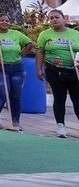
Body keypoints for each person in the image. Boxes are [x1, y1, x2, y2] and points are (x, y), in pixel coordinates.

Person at [0, 13, 33, 130]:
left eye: (7, 20)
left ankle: (15, 122)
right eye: (1, 20)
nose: (5, 22)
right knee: (2, 94)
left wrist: (23, 53)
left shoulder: (16, 34)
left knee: (15, 95)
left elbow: (30, 44)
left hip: (17, 68)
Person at [35, 9, 79, 138]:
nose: (54, 20)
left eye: (56, 17)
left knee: (77, 99)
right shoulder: (44, 34)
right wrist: (39, 69)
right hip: (54, 70)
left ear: (64, 18)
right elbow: (40, 52)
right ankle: (60, 125)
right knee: (59, 97)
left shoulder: (75, 34)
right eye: (51, 18)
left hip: (74, 70)